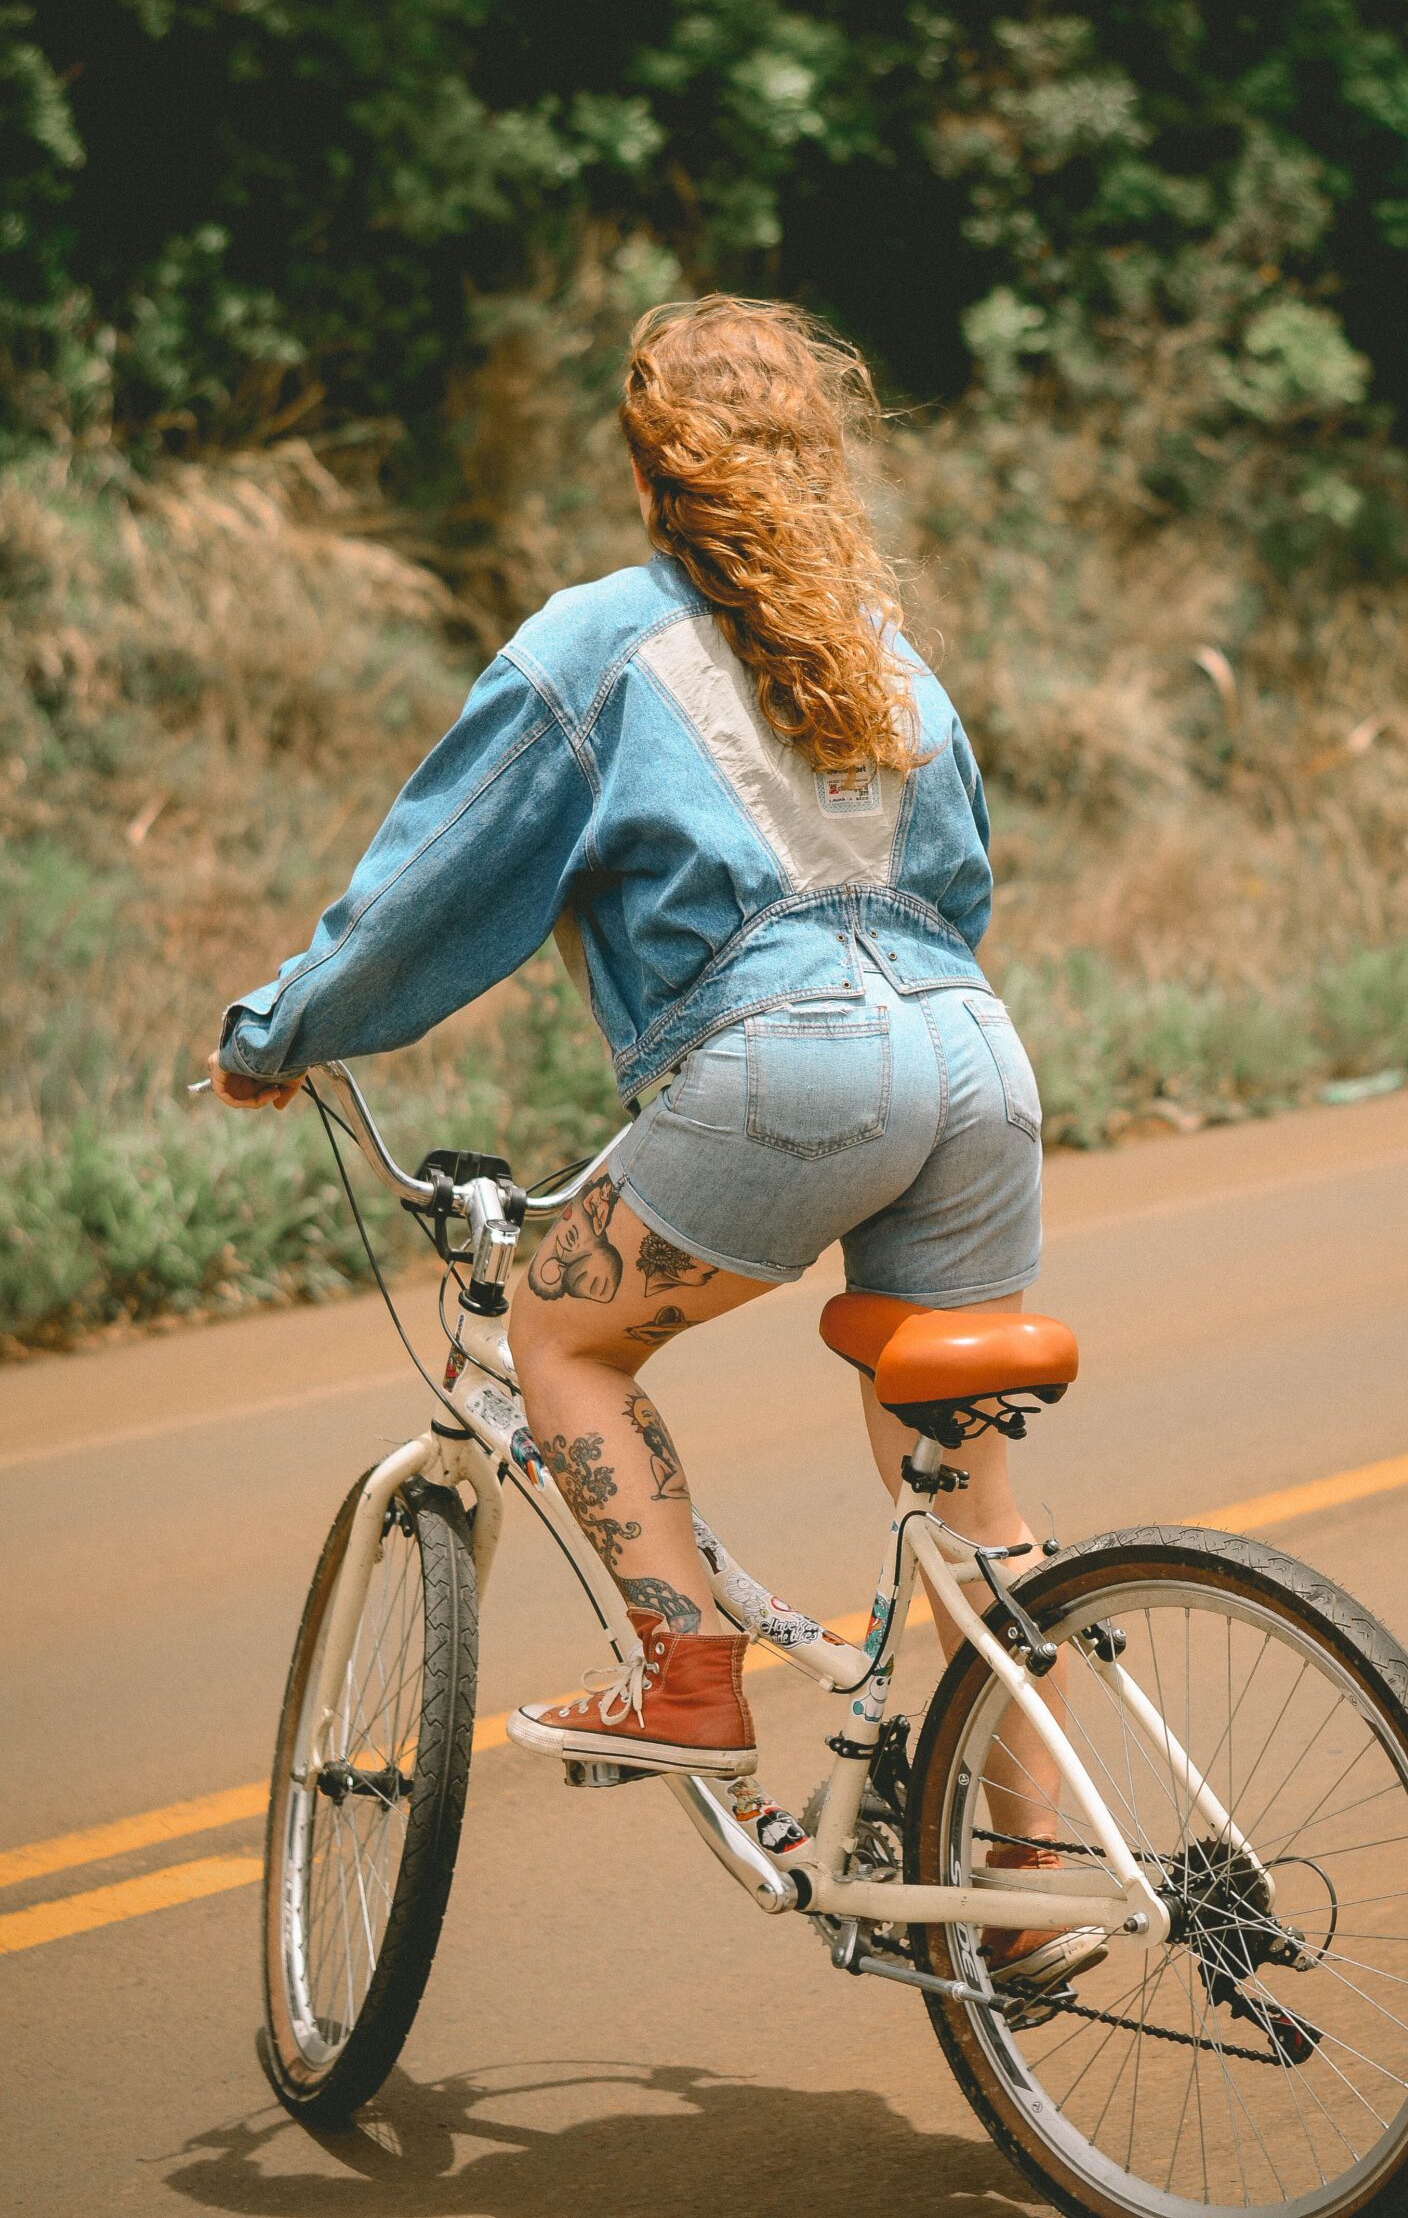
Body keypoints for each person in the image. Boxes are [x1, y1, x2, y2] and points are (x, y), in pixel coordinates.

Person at [210, 295, 1094, 1991]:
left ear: (649, 465)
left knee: (558, 1327)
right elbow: (964, 883)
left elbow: (426, 898)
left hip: (793, 1070)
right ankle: (1046, 1863)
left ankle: (685, 1674)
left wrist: (281, 1031)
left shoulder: (604, 642)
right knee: (968, 1486)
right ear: (820, 461)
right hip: (977, 1059)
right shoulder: (882, 650)